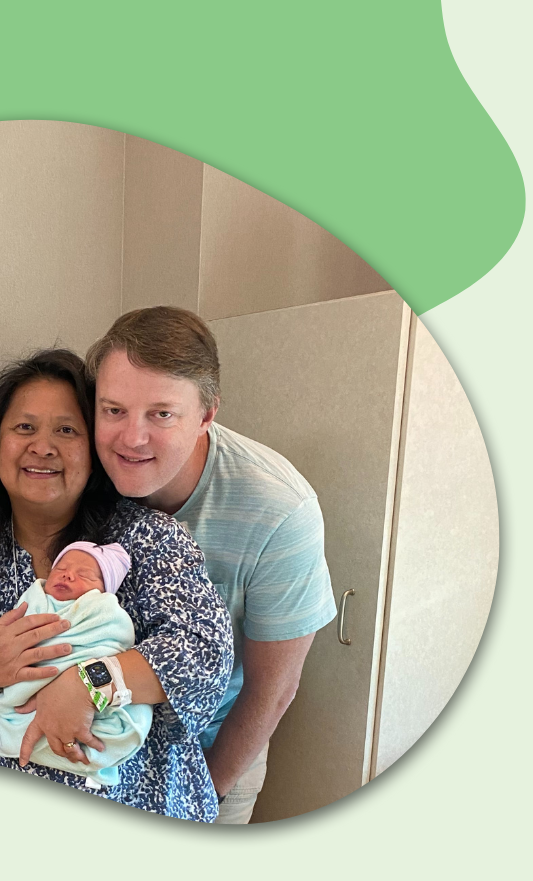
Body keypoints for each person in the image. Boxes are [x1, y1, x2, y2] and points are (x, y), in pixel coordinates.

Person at [0, 350, 233, 821]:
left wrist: (90, 685)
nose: (43, 447)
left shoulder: (145, 539)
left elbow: (204, 653)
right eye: (24, 428)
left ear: (95, 448)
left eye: (66, 430)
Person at [85, 306, 338, 824]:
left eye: (162, 414)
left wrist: (206, 793)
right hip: (96, 742)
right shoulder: (82, 471)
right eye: (113, 410)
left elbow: (273, 690)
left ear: (206, 415)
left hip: (213, 748)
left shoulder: (278, 510)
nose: (131, 438)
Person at [0, 540, 154, 787]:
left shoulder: (103, 609)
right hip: (31, 692)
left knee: (124, 717)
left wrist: (80, 683)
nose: (68, 575)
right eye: (61, 569)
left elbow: (112, 641)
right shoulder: (35, 600)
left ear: (104, 590)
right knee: (15, 708)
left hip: (92, 688)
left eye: (85, 575)